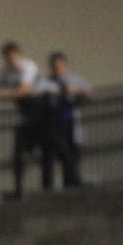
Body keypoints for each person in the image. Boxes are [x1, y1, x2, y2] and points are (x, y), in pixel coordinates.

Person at [0, 41, 45, 198]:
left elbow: (24, 90)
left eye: (13, 57)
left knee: (50, 149)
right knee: (19, 151)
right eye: (8, 58)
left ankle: (50, 186)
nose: (11, 61)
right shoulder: (5, 71)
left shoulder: (28, 67)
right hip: (27, 114)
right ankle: (19, 190)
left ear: (18, 55)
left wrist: (1, 95)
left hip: (44, 111)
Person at [34, 51, 92, 187]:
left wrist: (75, 91)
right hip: (52, 124)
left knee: (72, 153)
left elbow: (88, 93)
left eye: (59, 65)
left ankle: (71, 182)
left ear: (65, 65)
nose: (57, 68)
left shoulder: (74, 79)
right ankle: (48, 187)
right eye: (54, 66)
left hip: (71, 121)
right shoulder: (45, 81)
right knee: (51, 155)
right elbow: (36, 93)